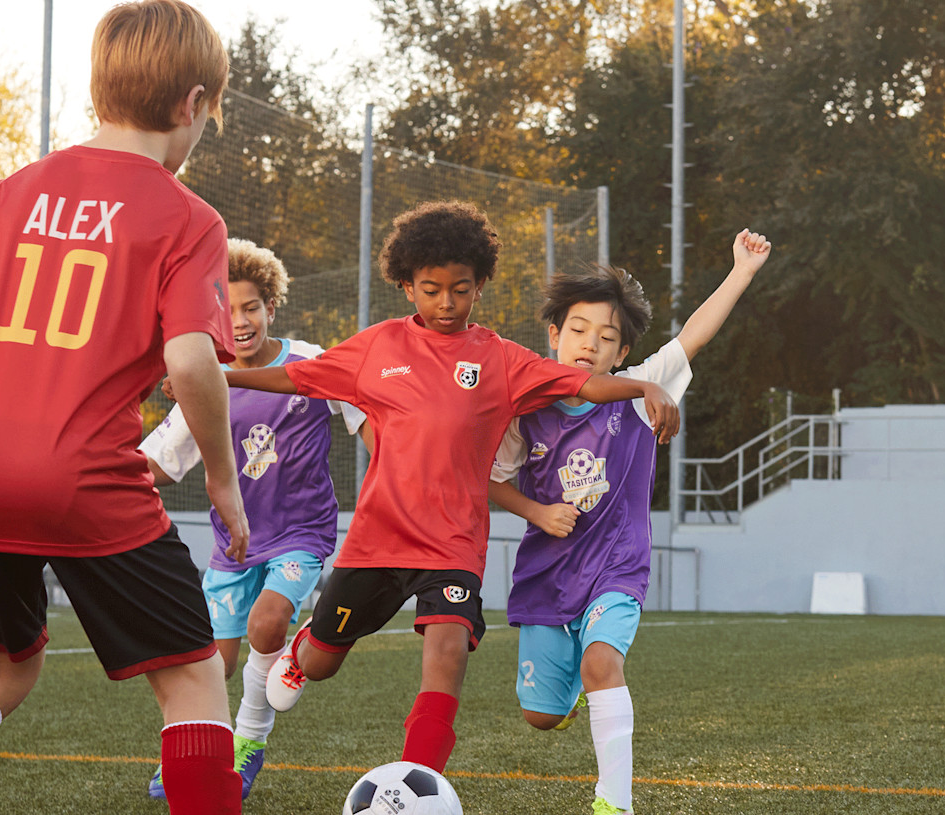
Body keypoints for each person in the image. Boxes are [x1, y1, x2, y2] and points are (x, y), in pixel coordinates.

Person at [0, 3, 249, 813]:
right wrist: (221, 476)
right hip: (79, 476)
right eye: (206, 119)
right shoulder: (188, 218)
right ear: (192, 103)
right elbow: (190, 360)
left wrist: (22, 378)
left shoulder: (12, 190)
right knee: (191, 675)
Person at [219, 200, 681, 774]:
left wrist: (644, 390)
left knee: (447, 654)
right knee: (318, 666)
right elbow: (296, 377)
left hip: (453, 548)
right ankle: (303, 646)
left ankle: (418, 785)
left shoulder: (502, 361)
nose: (446, 303)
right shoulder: (376, 349)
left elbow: (584, 383)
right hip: (377, 543)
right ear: (407, 286)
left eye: (460, 290)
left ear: (479, 286)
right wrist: (219, 375)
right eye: (431, 289)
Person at [488, 228, 772, 815]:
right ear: (553, 336)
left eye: (606, 338)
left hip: (616, 567)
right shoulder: (526, 409)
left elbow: (692, 336)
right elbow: (489, 480)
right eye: (577, 331)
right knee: (540, 717)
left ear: (622, 354)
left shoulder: (642, 390)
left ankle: (613, 803)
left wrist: (741, 271)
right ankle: (561, 700)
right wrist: (537, 510)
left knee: (602, 664)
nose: (589, 345)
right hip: (547, 571)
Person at [140, 238, 368, 800]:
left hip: (301, 534)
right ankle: (194, 754)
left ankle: (249, 743)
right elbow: (161, 462)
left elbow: (368, 417)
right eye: (226, 310)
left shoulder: (311, 364)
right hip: (233, 546)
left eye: (250, 307)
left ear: (272, 307)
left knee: (268, 622)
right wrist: (97, 474)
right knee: (211, 666)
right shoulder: (203, 376)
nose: (239, 321)